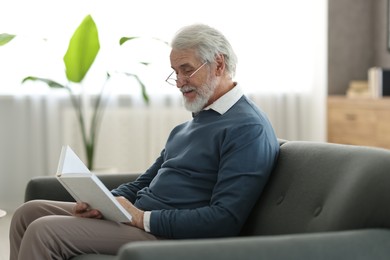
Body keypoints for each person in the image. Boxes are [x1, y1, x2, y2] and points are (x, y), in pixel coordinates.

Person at [9, 23, 279, 259]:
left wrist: (141, 218)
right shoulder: (189, 126)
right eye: (175, 72)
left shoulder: (247, 128)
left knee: (43, 231)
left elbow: (224, 220)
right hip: (140, 220)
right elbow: (142, 182)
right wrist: (104, 203)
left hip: (172, 238)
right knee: (28, 213)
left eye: (186, 70)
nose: (179, 82)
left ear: (218, 64)